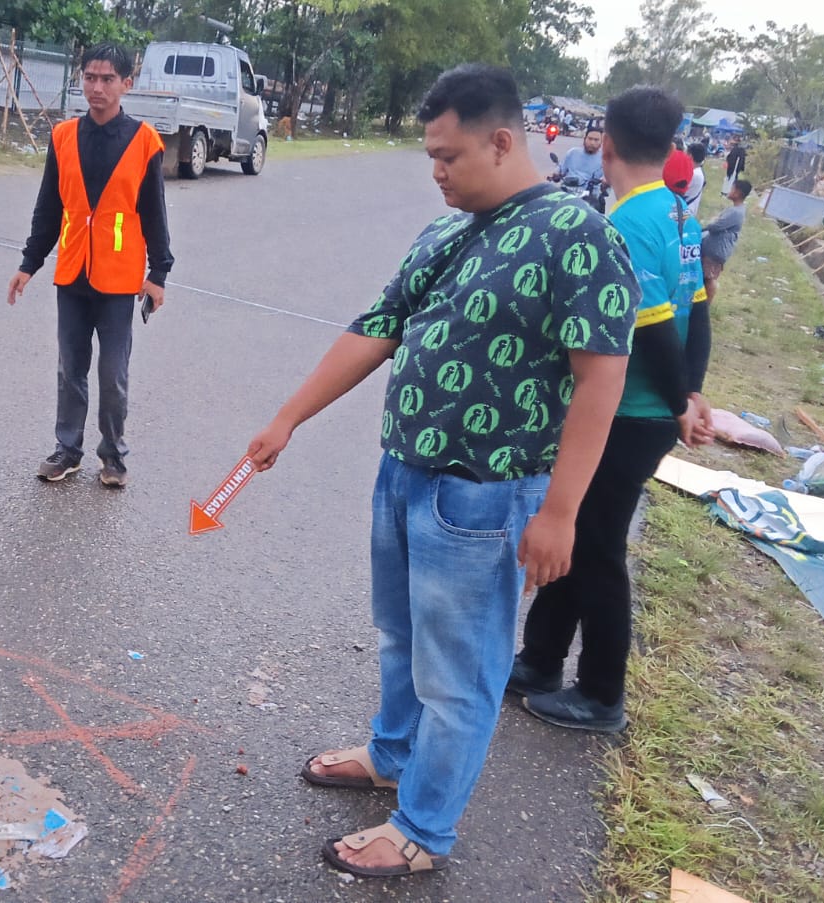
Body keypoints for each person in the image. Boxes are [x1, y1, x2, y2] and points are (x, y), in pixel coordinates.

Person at [247, 64, 638, 879]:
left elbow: (602, 378)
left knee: (459, 675)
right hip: (406, 475)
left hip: (484, 497)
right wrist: (288, 416)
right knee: (401, 638)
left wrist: (560, 512)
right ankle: (392, 754)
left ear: (501, 142)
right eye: (430, 156)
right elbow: (379, 324)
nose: (436, 172)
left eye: (447, 156)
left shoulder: (577, 236)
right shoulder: (448, 231)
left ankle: (423, 828)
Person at [512, 86, 713, 732]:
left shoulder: (626, 225)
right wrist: (693, 392)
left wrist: (679, 403)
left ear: (610, 145)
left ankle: (601, 693)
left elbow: (652, 332)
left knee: (598, 550)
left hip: (628, 414)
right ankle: (540, 659)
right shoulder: (680, 213)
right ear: (671, 146)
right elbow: (698, 312)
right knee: (580, 534)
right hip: (653, 408)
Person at [8, 43, 172, 489]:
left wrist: (158, 274)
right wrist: (29, 263)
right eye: (90, 78)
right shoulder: (63, 137)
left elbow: (154, 213)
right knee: (70, 369)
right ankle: (68, 450)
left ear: (126, 84)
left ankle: (113, 455)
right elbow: (48, 208)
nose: (97, 87)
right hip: (73, 275)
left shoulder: (144, 142)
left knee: (112, 375)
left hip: (119, 282)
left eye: (107, 79)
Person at [701, 179, 752, 305]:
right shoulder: (735, 209)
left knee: (709, 278)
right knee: (706, 276)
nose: (729, 191)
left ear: (738, 193)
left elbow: (716, 226)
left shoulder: (736, 212)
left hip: (716, 251)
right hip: (714, 249)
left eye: (732, 188)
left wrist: (709, 223)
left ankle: (706, 306)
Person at [685, 143, 708, 209]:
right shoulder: (698, 172)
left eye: (686, 154)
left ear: (690, 156)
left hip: (685, 209)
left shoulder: (694, 174)